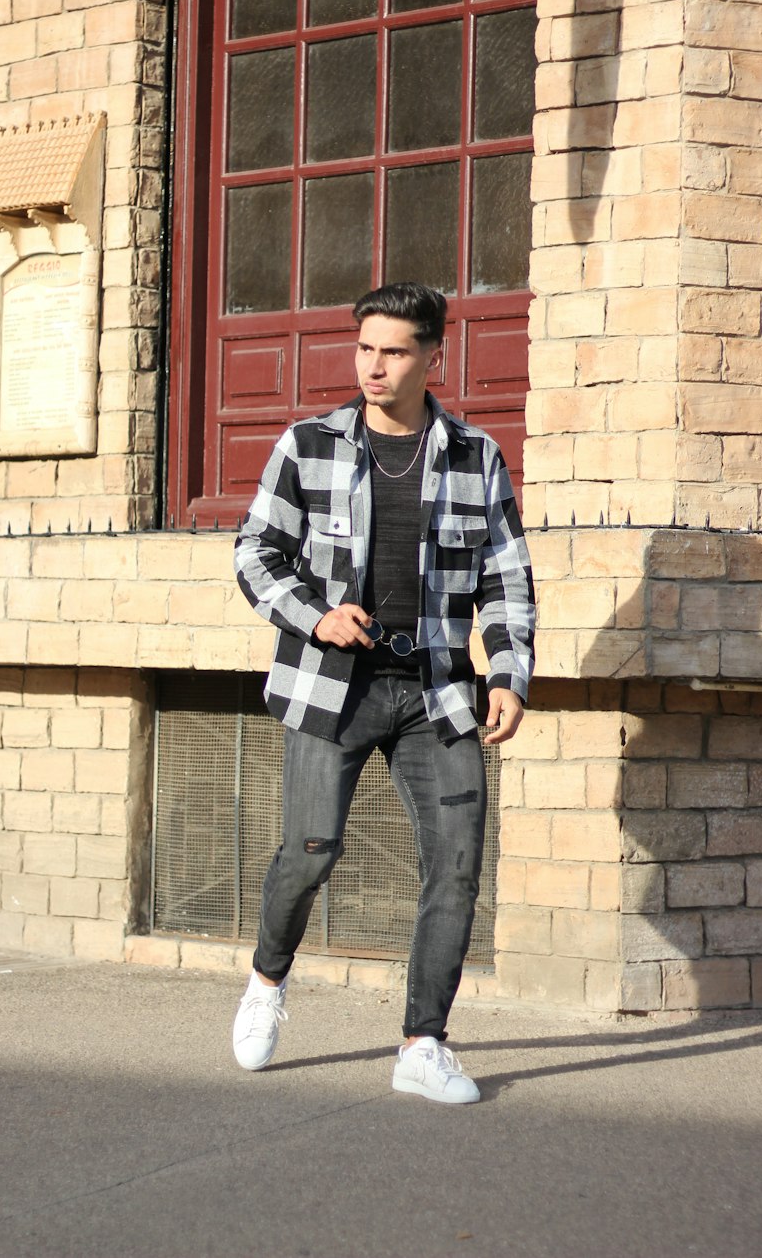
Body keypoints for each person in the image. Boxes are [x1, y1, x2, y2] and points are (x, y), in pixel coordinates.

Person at [232, 282, 535, 1105]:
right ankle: (267, 979)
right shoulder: (310, 444)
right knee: (311, 850)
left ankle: (423, 1043)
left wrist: (508, 673)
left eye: (395, 350)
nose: (374, 365)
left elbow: (506, 581)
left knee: (459, 866)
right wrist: (314, 616)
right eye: (365, 348)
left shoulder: (476, 456)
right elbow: (255, 553)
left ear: (434, 356)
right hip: (335, 686)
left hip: (438, 692)